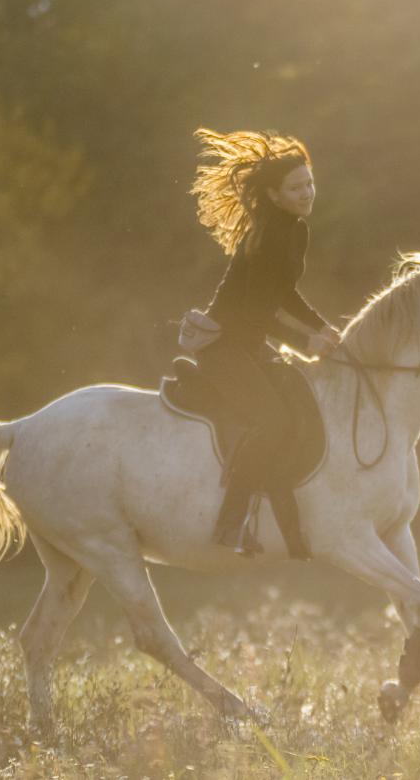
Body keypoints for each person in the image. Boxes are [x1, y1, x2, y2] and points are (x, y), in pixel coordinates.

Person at [187, 128, 339, 552]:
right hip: (225, 345)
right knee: (271, 421)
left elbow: (284, 293)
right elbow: (255, 314)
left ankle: (286, 527)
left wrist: (321, 326)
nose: (307, 192)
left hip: (251, 344)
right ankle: (230, 524)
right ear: (274, 195)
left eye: (309, 183)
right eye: (296, 188)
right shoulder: (271, 234)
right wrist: (304, 342)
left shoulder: (295, 230)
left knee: (296, 411)